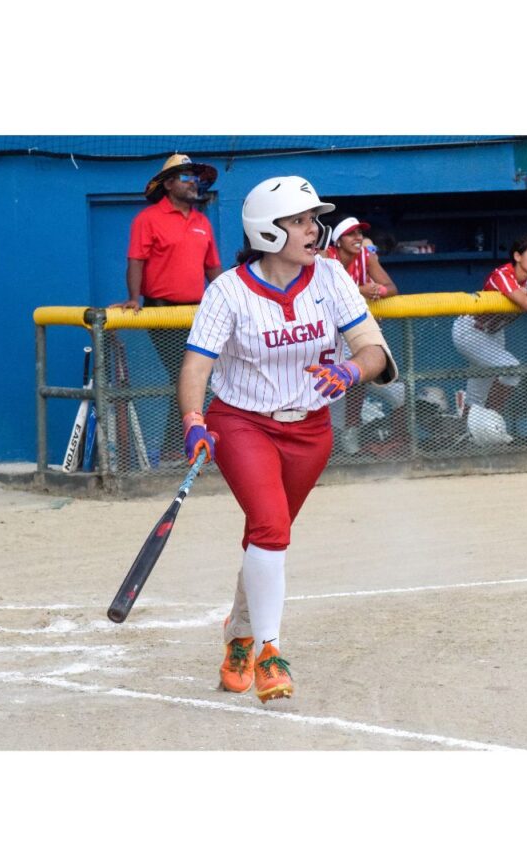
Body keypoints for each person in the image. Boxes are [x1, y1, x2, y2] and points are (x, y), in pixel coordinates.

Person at [179, 175, 398, 703]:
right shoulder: (227, 290)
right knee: (273, 529)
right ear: (268, 231)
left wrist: (350, 372)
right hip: (242, 422)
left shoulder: (329, 276)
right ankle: (268, 654)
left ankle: (239, 633)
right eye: (299, 221)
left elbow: (372, 348)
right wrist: (193, 420)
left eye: (313, 219)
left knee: (265, 537)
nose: (313, 229)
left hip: (311, 430)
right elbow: (195, 365)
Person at [112, 154, 222, 463]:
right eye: (185, 177)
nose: (193, 182)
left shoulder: (202, 222)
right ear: (169, 184)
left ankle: (180, 446)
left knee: (196, 377)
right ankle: (176, 448)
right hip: (162, 313)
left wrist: (234, 297)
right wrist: (134, 297)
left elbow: (213, 268)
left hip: (197, 313)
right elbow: (136, 260)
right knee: (185, 375)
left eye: (194, 176)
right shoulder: (147, 219)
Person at [451, 235, 527, 442]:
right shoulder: (503, 273)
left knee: (477, 392)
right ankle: (489, 424)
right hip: (471, 330)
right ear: (518, 256)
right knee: (512, 369)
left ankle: (469, 433)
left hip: (494, 333)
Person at [325, 216, 399, 453]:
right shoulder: (326, 256)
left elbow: (393, 288)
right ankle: (336, 442)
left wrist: (377, 290)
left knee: (357, 381)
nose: (357, 238)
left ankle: (352, 435)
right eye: (351, 234)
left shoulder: (367, 256)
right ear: (338, 240)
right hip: (326, 335)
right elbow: (322, 287)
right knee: (329, 391)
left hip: (353, 332)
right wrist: (361, 290)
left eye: (360, 233)